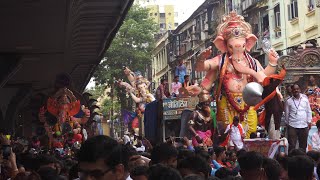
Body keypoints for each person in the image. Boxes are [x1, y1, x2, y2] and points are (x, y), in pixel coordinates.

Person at [285, 84, 312, 152]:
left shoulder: (305, 100)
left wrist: (309, 121)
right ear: (292, 91)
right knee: (292, 145)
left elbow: (308, 111)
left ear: (299, 90)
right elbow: (287, 113)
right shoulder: (289, 101)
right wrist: (288, 124)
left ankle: (303, 160)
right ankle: (291, 160)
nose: (296, 90)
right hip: (292, 125)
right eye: (294, 89)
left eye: (297, 89)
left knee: (303, 145)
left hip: (303, 125)